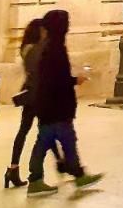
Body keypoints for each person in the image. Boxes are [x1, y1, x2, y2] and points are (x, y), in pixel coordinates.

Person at [26, 10, 102, 196]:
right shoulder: (55, 49)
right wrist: (75, 80)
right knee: (64, 140)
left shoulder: (48, 46)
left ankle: (39, 178)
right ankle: (74, 174)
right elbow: (56, 79)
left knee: (46, 141)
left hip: (47, 105)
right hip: (56, 105)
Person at [5, 19, 61, 189]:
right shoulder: (34, 50)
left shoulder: (27, 48)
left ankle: (13, 169)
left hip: (31, 94)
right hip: (37, 95)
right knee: (46, 130)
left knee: (27, 130)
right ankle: (61, 163)